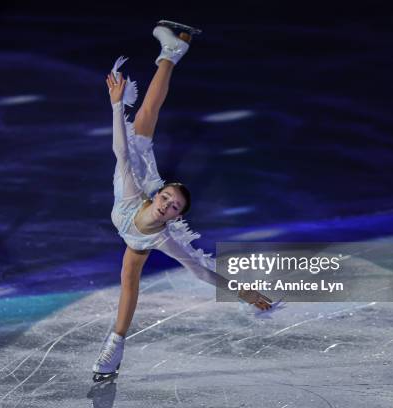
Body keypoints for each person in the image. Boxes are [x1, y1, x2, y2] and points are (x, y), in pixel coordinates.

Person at [92, 20, 273, 382]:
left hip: (136, 231)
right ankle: (173, 49)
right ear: (159, 195)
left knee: (130, 278)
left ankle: (115, 346)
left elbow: (202, 271)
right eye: (167, 198)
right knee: (144, 120)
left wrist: (244, 294)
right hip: (139, 169)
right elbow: (121, 151)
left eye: (174, 207)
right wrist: (115, 106)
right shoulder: (133, 192)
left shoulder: (163, 237)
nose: (167, 205)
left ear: (175, 217)